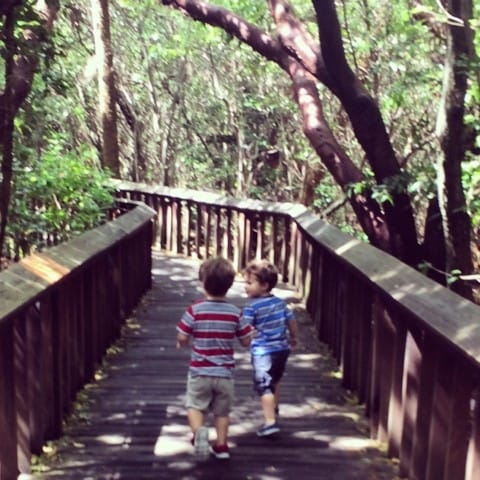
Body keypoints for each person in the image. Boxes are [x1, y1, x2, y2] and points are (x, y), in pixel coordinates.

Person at [176, 257, 255, 459]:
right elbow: (245, 341)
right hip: (225, 374)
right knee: (222, 413)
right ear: (229, 286)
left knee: (195, 405)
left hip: (199, 371)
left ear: (203, 283)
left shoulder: (195, 310)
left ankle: (198, 432)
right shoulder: (235, 313)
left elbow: (183, 336)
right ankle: (221, 446)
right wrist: (251, 334)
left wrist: (181, 342)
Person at [242, 259, 299, 437]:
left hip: (263, 352)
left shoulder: (251, 307)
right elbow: (291, 321)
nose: (246, 287)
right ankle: (274, 407)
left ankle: (270, 422)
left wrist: (244, 338)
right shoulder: (281, 303)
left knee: (264, 385)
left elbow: (245, 328)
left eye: (250, 283)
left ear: (265, 285)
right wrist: (294, 337)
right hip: (282, 349)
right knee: (275, 379)